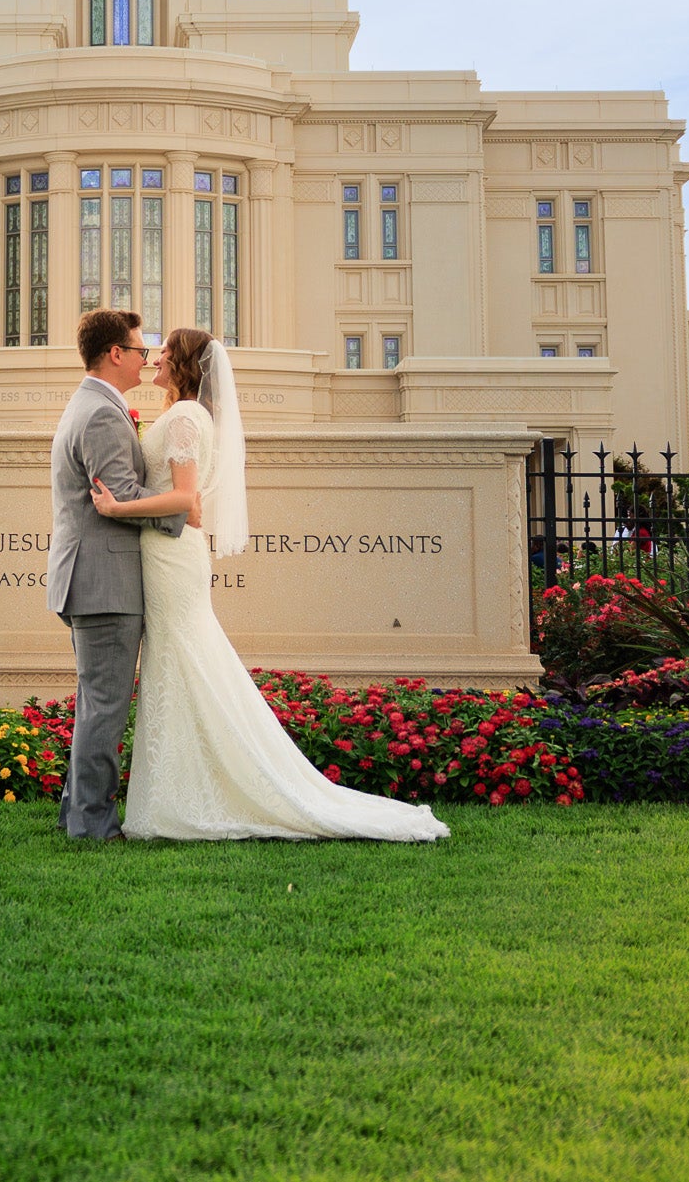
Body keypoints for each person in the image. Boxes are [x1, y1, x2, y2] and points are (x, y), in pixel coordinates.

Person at [91, 327, 449, 842]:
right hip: (165, 556)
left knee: (181, 662)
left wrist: (117, 507)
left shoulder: (188, 417)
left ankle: (194, 798)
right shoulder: (187, 414)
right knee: (179, 665)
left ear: (185, 362)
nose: (158, 357)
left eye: (166, 351)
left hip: (172, 556)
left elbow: (186, 501)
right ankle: (179, 792)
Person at [47, 308, 199, 840]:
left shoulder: (91, 404)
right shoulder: (104, 415)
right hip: (104, 584)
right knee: (106, 707)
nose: (145, 358)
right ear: (115, 354)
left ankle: (76, 813)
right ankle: (91, 825)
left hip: (89, 578)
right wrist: (187, 510)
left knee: (96, 702)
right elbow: (124, 497)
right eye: (138, 350)